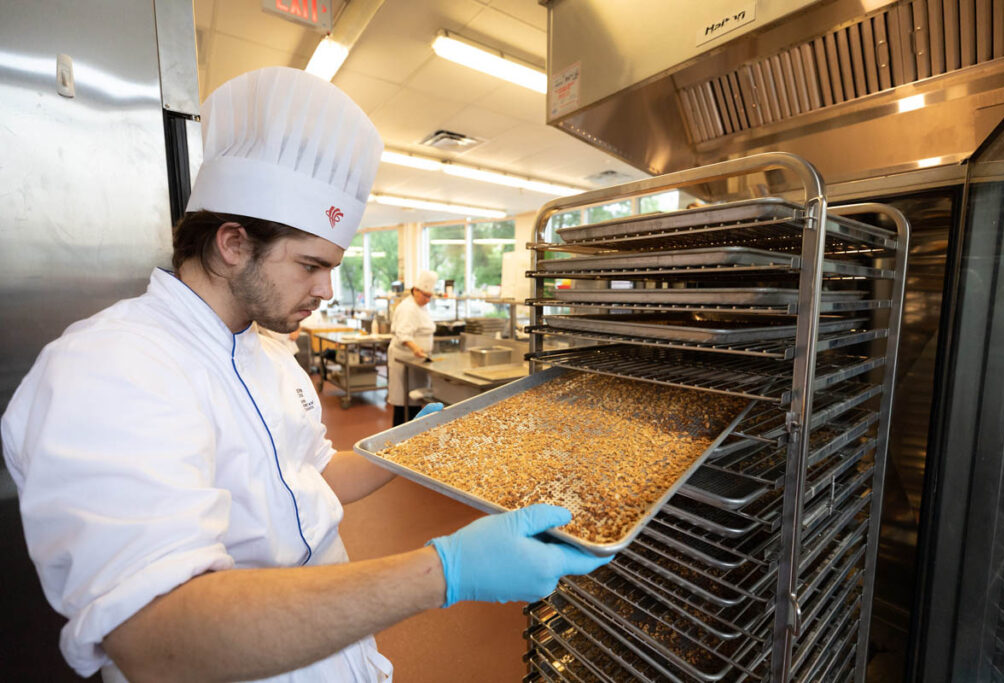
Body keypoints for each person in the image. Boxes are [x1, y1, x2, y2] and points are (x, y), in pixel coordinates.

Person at [0, 66, 610, 682]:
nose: (326, 290)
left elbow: (308, 475)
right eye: (310, 265)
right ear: (233, 244)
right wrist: (445, 572)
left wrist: (411, 447)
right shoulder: (112, 367)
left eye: (332, 268)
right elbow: (156, 638)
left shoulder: (266, 350)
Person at [387, 270, 438, 426]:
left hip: (416, 362)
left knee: (414, 403)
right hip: (404, 361)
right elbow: (403, 334)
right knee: (403, 405)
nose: (428, 300)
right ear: (415, 290)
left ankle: (412, 434)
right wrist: (416, 348)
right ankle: (399, 436)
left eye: (430, 296)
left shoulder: (421, 307)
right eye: (426, 296)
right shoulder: (407, 308)